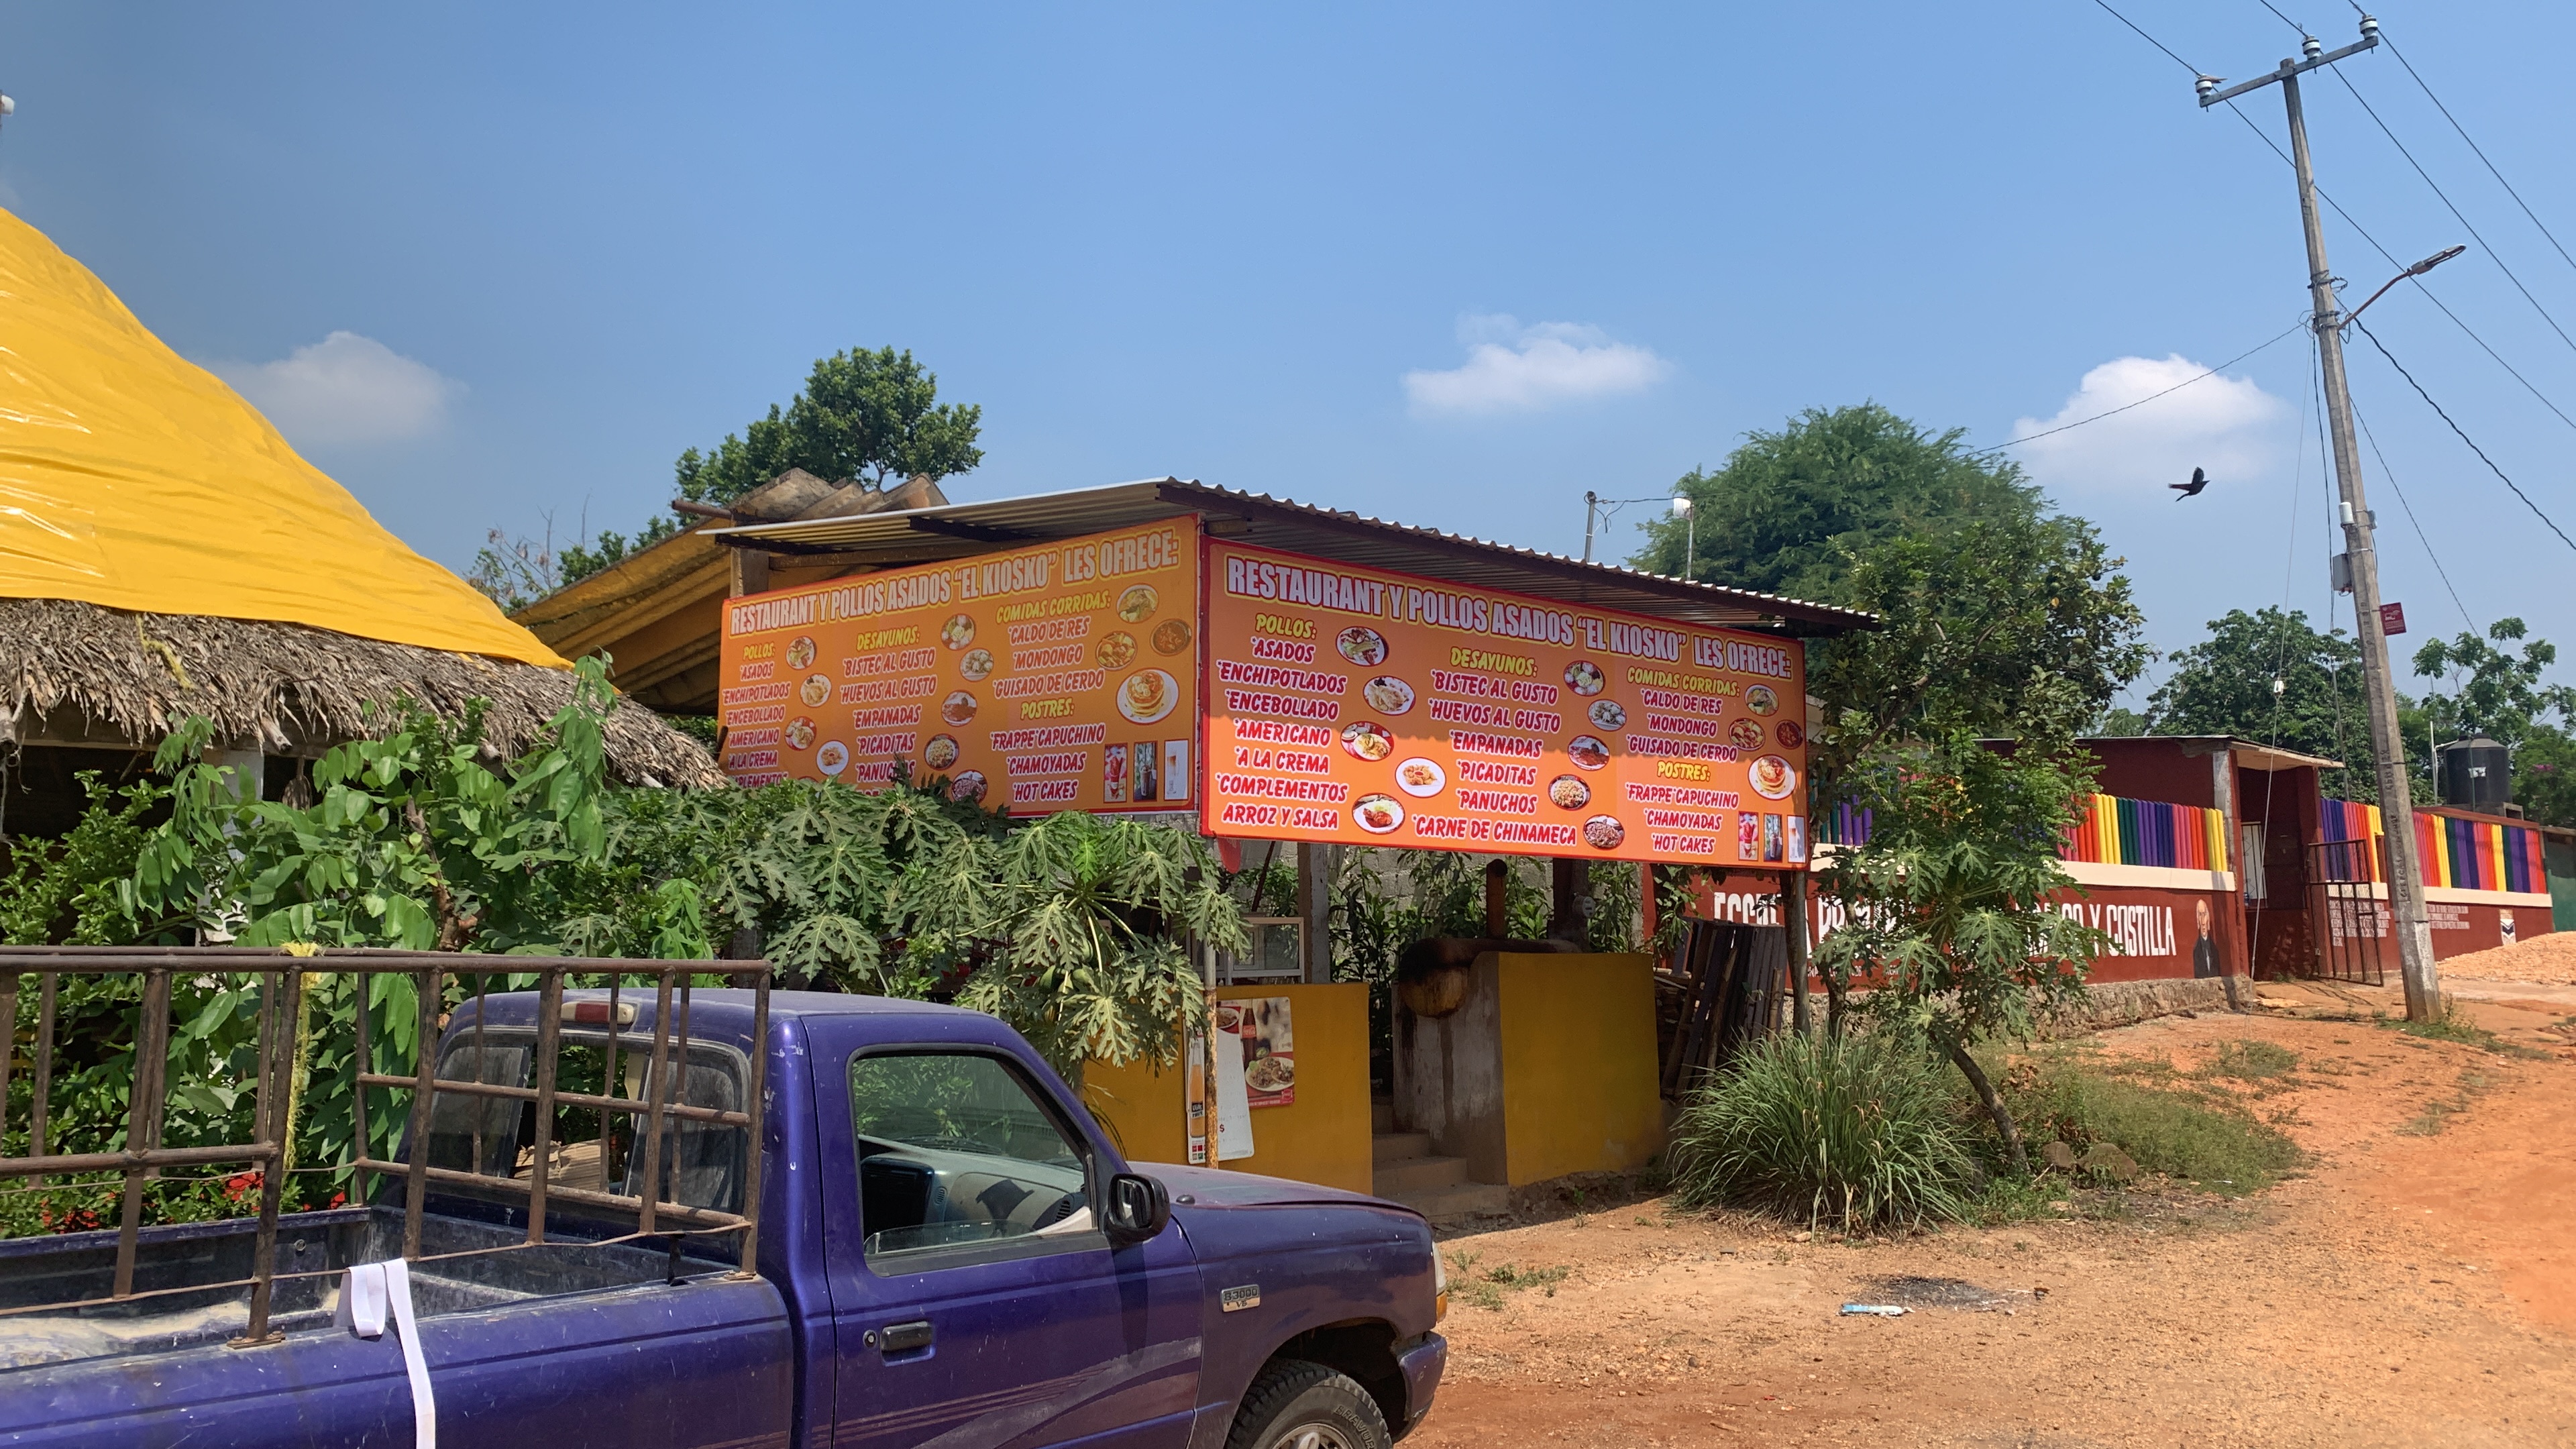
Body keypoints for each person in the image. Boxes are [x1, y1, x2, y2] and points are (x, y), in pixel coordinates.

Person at [2190, 896, 2220, 979]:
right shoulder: (2197, 950)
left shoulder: (2214, 948)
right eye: (2200, 915)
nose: (2203, 922)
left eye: (2204, 915)